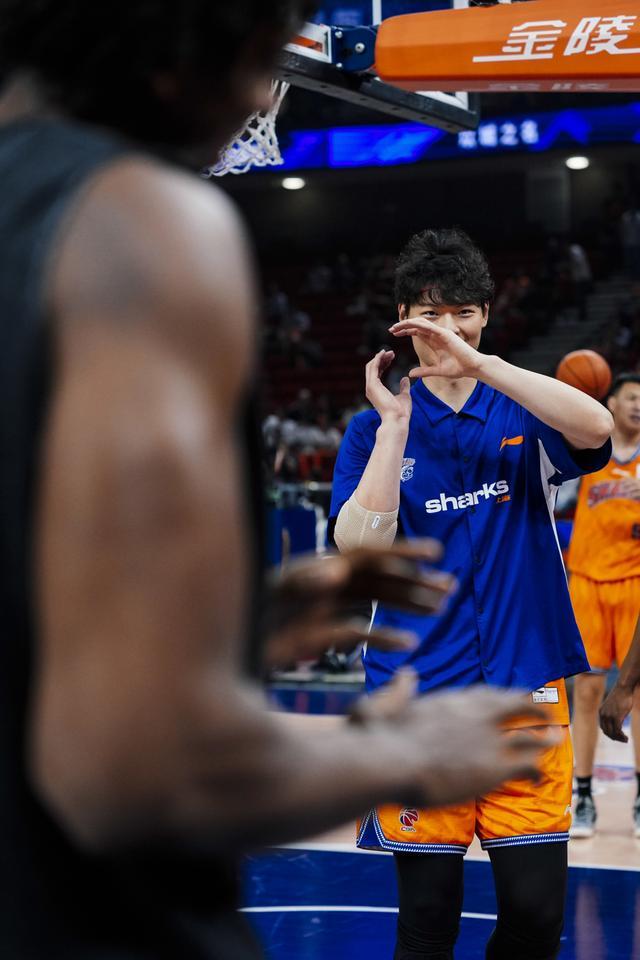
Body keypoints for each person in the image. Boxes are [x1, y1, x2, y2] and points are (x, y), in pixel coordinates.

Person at [0, 4, 556, 958]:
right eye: (262, 57)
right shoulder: (141, 221)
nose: (265, 96)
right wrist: (403, 751)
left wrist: (239, 636)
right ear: (180, 48)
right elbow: (126, 770)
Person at [330, 228, 613, 960]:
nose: (448, 328)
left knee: (536, 914)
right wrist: (395, 427)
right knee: (428, 917)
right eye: (431, 313)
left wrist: (483, 366)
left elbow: (598, 428)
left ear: (485, 314)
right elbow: (360, 549)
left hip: (527, 689)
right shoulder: (371, 430)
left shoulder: (522, 408)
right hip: (419, 696)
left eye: (463, 312)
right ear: (403, 318)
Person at [567, 373, 640, 839]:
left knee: (638, 692)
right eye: (631, 398)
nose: (638, 406)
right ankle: (583, 794)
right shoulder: (589, 446)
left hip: (635, 583)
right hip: (588, 582)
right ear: (611, 402)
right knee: (588, 692)